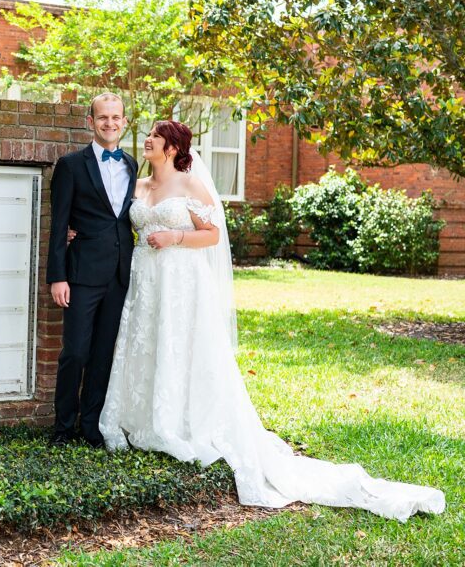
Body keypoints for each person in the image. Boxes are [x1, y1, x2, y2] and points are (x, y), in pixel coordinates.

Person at [97, 119, 445, 521]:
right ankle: (141, 419)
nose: (148, 141)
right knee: (147, 344)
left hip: (180, 284)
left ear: (172, 147)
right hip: (145, 282)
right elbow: (118, 227)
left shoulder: (190, 184)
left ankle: (176, 422)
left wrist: (175, 237)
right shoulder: (138, 186)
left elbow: (211, 234)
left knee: (179, 346)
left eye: (155, 137)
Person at [46, 92, 138, 447]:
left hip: (119, 274)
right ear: (91, 122)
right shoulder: (71, 165)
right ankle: (63, 427)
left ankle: (91, 425)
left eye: (116, 118)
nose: (110, 124)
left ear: (125, 122)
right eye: (103, 118)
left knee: (103, 354)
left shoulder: (131, 164)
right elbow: (58, 226)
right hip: (81, 274)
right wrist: (58, 276)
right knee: (76, 352)